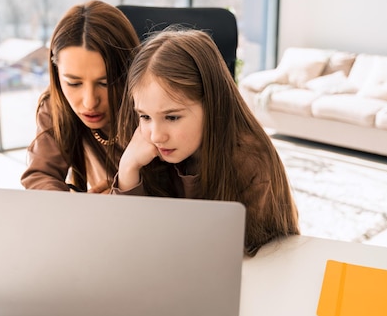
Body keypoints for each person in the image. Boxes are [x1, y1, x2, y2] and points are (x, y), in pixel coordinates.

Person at [114, 28, 299, 256]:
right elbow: (127, 239)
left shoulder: (250, 160)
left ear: (212, 106)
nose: (156, 135)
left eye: (172, 117)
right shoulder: (150, 153)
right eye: (145, 117)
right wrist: (127, 170)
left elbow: (246, 255)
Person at [21, 0, 140, 192]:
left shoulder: (155, 106)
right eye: (74, 83)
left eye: (105, 83)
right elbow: (40, 175)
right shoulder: (55, 105)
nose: (90, 102)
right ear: (56, 73)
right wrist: (71, 205)